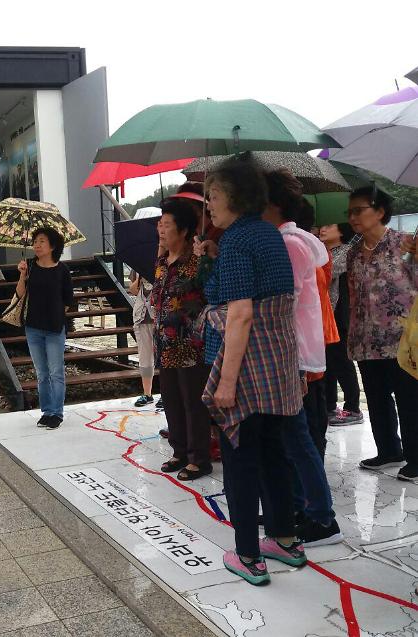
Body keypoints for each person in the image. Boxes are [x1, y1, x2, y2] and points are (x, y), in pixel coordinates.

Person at [196, 157, 306, 586]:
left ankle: (247, 555)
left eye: (214, 196)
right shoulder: (267, 234)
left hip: (248, 362)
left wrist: (226, 383)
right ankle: (284, 539)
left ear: (236, 196)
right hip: (279, 360)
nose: (208, 206)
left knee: (241, 456)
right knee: (275, 452)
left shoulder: (239, 240)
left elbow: (241, 315)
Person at [262, 169, 342, 547]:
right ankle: (298, 506)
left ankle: (321, 517)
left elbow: (285, 300)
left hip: (293, 353)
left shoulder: (291, 243)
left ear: (272, 204)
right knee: (291, 437)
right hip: (292, 351)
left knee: (298, 437)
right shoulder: (286, 239)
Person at [345, 185, 418, 481]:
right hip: (366, 338)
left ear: (379, 211)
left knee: (409, 399)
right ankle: (389, 449)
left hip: (402, 339)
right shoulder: (353, 252)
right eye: (349, 212)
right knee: (376, 396)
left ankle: (416, 457)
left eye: (358, 210)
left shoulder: (406, 244)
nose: (352, 217)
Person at [150, 199, 211, 480]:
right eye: (159, 224)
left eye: (167, 225)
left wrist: (205, 258)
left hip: (190, 344)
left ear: (184, 230)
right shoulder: (162, 262)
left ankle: (199, 458)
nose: (161, 230)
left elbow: (205, 294)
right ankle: (180, 451)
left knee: (192, 401)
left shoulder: (195, 261)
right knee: (171, 399)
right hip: (164, 342)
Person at [17, 227, 74, 430]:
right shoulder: (30, 266)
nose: (37, 245)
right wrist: (22, 275)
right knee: (41, 372)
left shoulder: (62, 270)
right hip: (33, 327)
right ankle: (47, 411)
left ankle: (57, 413)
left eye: (41, 241)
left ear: (52, 245)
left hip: (54, 327)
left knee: (56, 371)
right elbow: (20, 294)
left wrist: (56, 314)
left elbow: (68, 300)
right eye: (35, 241)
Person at [319, 222, 363, 425]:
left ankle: (353, 407)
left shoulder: (346, 251)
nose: (323, 229)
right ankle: (329, 406)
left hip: (339, 314)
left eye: (330, 226)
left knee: (342, 361)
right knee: (327, 361)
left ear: (342, 232)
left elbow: (329, 272)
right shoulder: (325, 250)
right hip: (326, 313)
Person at [128, 271, 158, 409]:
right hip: (141, 317)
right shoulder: (140, 267)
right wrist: (140, 278)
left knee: (164, 358)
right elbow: (132, 289)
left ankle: (166, 394)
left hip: (160, 317)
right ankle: (147, 393)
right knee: (145, 357)